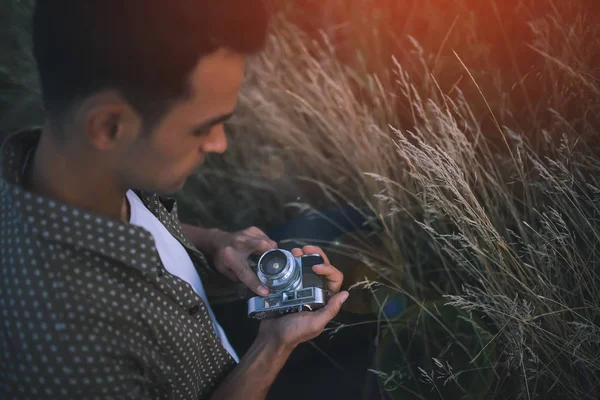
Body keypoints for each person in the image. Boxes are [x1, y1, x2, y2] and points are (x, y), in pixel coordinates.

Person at [0, 1, 350, 399]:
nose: (220, 144)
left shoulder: (71, 165)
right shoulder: (71, 350)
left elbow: (132, 228)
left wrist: (214, 242)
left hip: (218, 331)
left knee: (350, 227)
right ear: (108, 125)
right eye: (202, 128)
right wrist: (273, 346)